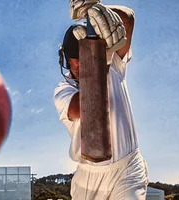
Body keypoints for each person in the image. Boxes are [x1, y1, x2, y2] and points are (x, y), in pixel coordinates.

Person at [53, 1, 149, 199]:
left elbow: (128, 19)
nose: (80, 64)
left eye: (83, 56)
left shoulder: (114, 62)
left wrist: (95, 11)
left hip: (127, 169)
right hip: (88, 178)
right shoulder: (63, 90)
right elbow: (88, 107)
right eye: (75, 60)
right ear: (66, 59)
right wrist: (97, 63)